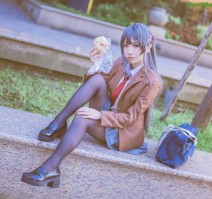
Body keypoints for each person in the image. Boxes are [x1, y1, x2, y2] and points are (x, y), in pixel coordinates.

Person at [21, 23, 163, 187]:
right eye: (126, 45)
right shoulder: (120, 63)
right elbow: (102, 82)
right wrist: (97, 63)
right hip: (110, 112)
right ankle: (58, 123)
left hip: (121, 132)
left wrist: (100, 115)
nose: (129, 51)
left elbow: (131, 118)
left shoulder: (152, 81)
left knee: (82, 116)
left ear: (148, 46)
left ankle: (50, 168)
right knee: (97, 79)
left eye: (136, 46)